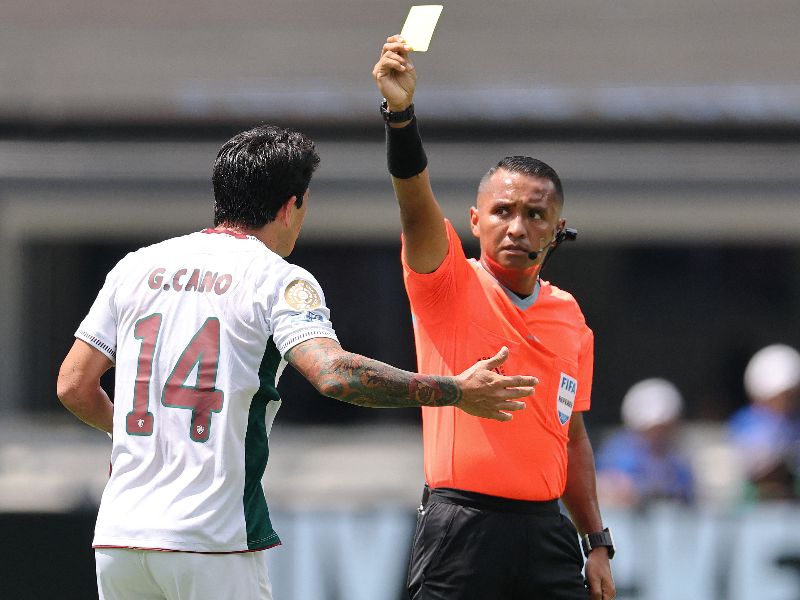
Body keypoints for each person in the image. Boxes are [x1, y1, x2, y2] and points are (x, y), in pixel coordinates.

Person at [56, 124, 539, 600]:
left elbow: (73, 385)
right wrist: (454, 390)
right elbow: (333, 375)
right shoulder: (277, 278)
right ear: (292, 206)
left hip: (120, 536)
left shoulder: (136, 266)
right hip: (211, 539)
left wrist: (147, 440)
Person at [373, 36, 615, 600]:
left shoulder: (569, 315)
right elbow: (413, 199)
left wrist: (596, 541)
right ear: (476, 220)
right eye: (503, 211)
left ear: (557, 230)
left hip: (548, 532)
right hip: (462, 529)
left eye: (535, 214)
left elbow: (572, 437)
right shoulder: (447, 281)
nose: (517, 227)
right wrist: (400, 116)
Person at [596, 378, 695, 508]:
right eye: (652, 428)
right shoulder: (617, 453)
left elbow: (686, 494)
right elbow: (604, 488)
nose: (658, 434)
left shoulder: (677, 459)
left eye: (664, 428)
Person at [728, 343, 800, 502]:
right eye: (782, 395)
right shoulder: (745, 423)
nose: (787, 402)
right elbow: (757, 468)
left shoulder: (795, 423)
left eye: (792, 395)